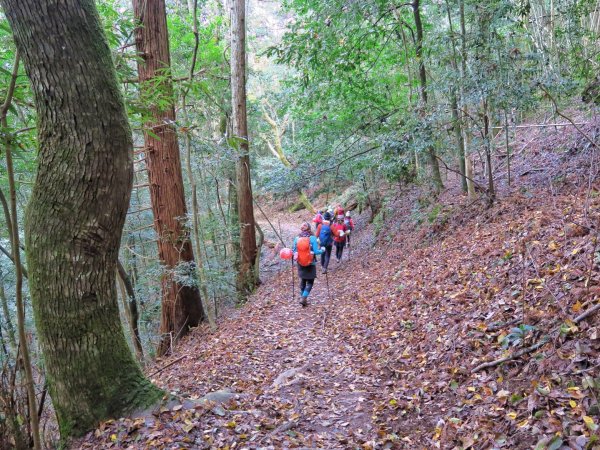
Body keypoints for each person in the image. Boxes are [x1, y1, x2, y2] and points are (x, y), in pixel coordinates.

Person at [293, 222, 324, 307]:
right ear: (309, 228)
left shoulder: (296, 239)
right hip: (311, 262)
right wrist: (322, 250)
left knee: (303, 280)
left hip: (300, 263)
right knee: (310, 281)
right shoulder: (312, 238)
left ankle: (302, 298)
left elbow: (294, 251)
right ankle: (304, 297)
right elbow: (317, 252)